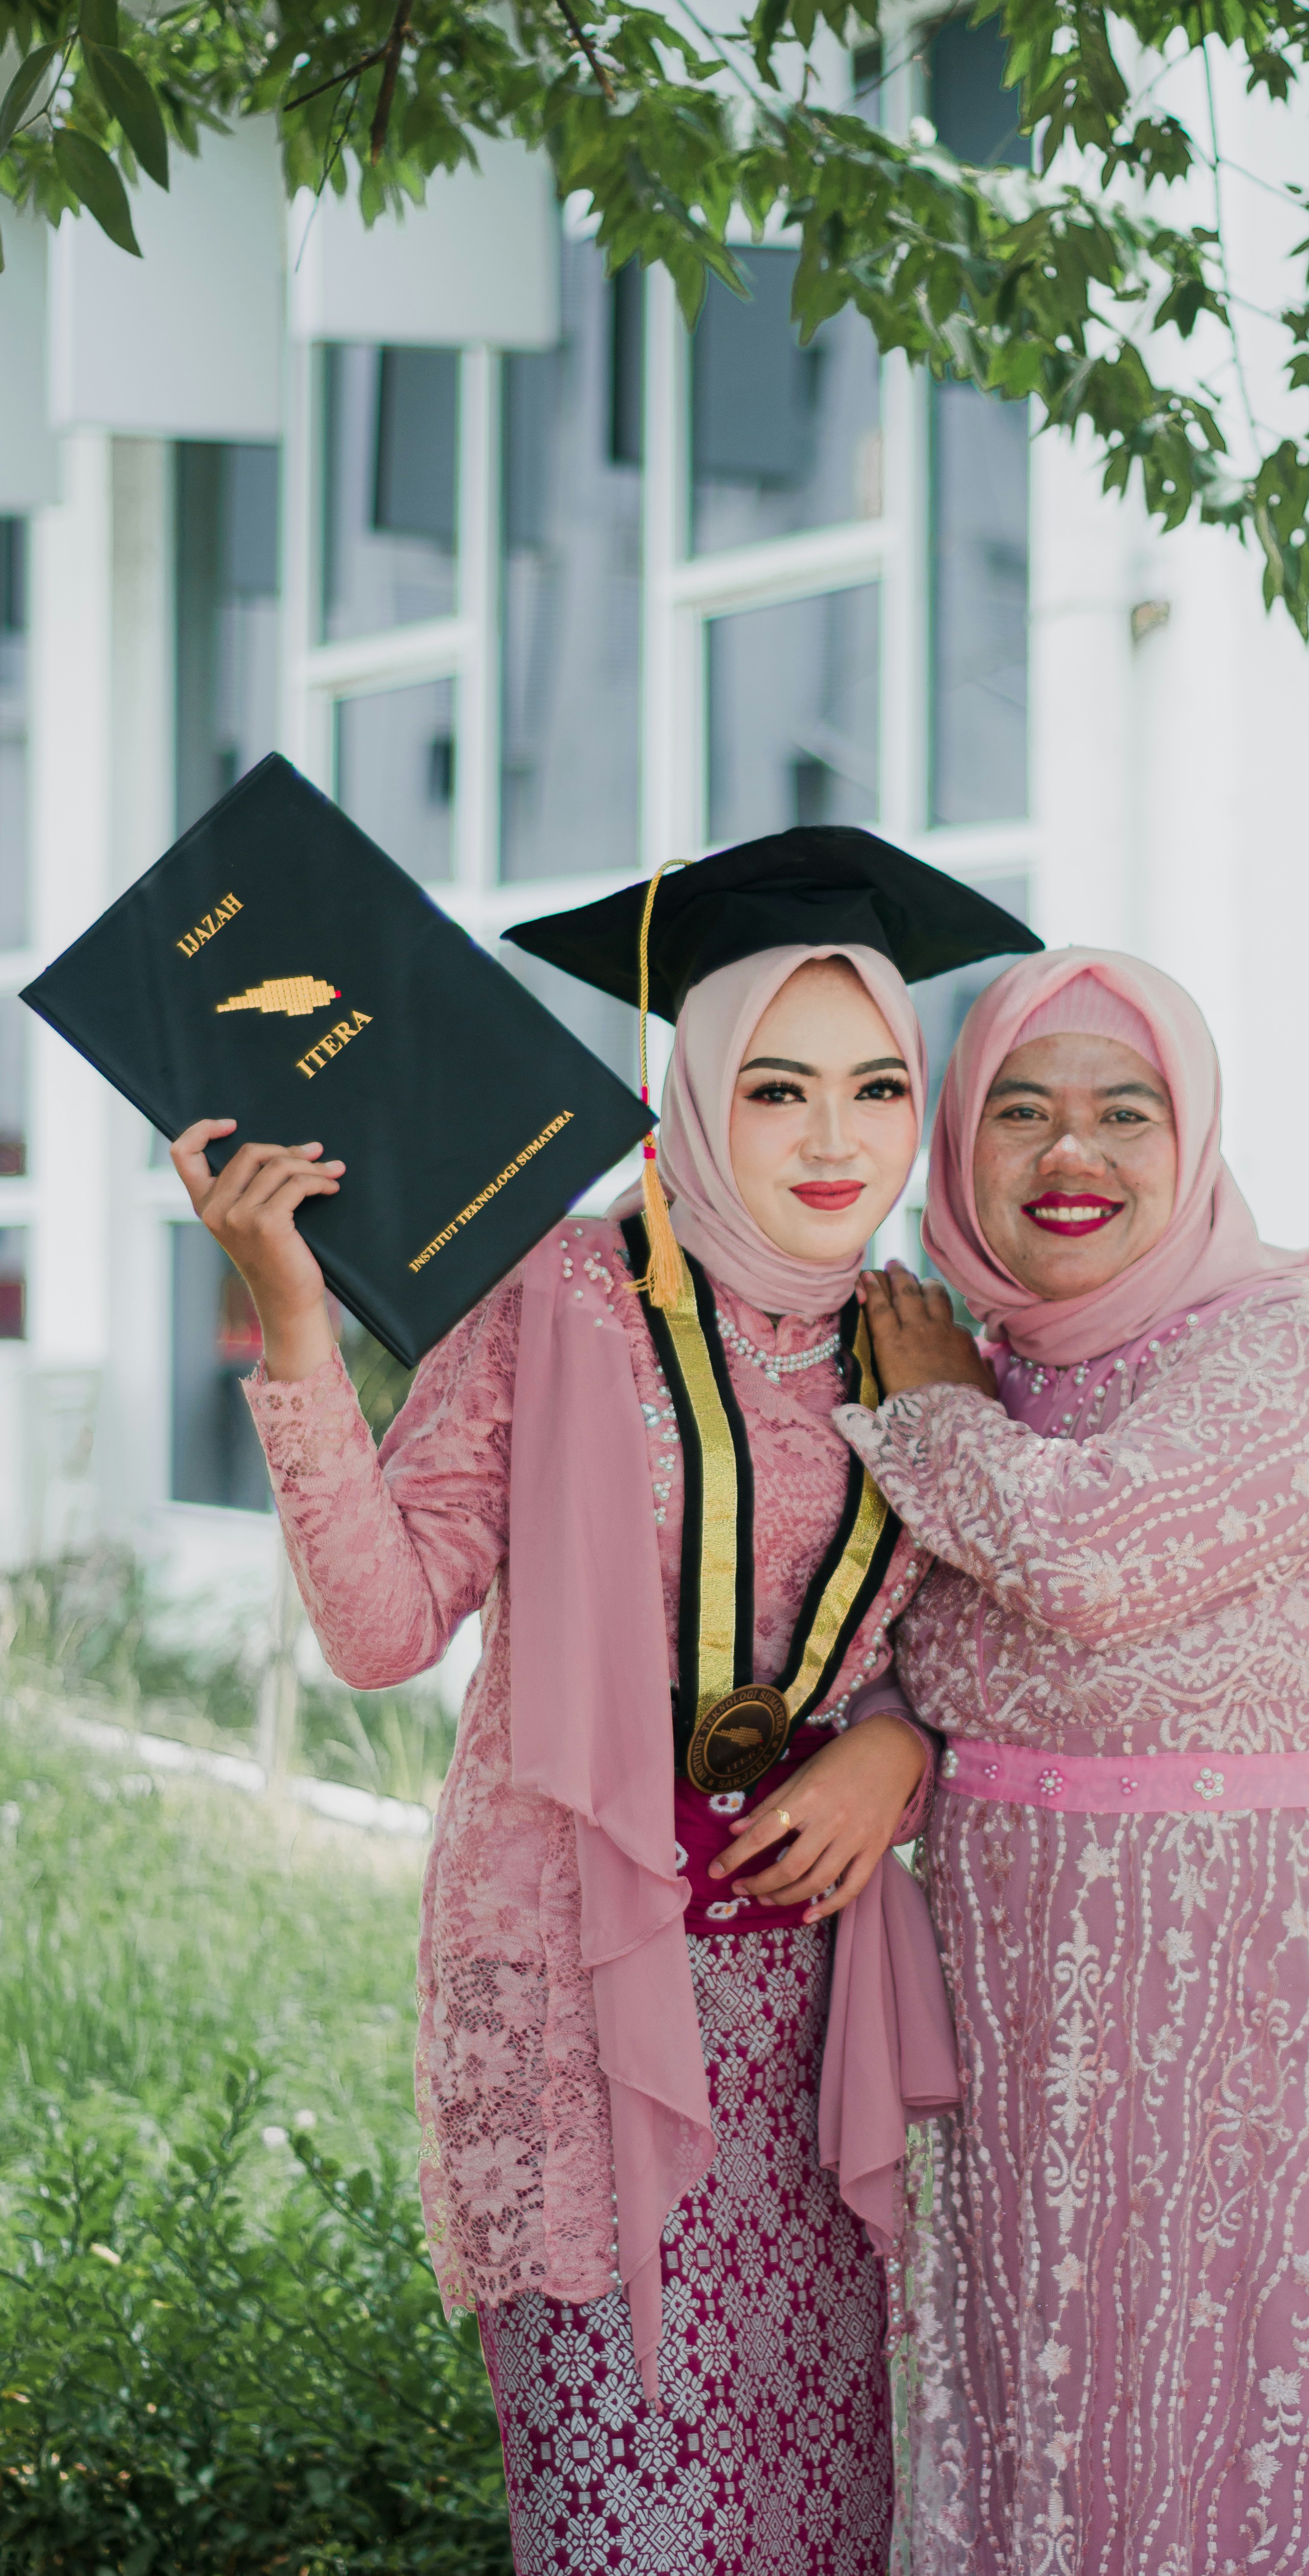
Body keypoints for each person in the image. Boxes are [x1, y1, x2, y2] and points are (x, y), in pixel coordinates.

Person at [167, 829, 1033, 2576]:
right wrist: (295, 1317)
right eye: (776, 1087)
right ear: (693, 1092)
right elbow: (385, 1624)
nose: (830, 1138)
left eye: (875, 1087)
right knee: (624, 2511)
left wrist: (898, 1752)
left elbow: (971, 1656)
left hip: (821, 2005)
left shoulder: (918, 1339)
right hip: (577, 1985)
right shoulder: (564, 1299)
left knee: (827, 2517)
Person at [844, 949, 1309, 2576]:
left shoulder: (1284, 1352)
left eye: (1121, 1113)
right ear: (961, 1147)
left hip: (1253, 2017)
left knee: (1259, 2412)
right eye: (1022, 1112)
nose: (1070, 1157)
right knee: (1054, 2414)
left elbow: (1081, 1557)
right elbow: (886, 1659)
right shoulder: (987, 1368)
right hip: (1020, 2022)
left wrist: (935, 1415)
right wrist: (881, 1737)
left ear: (1194, 1138)